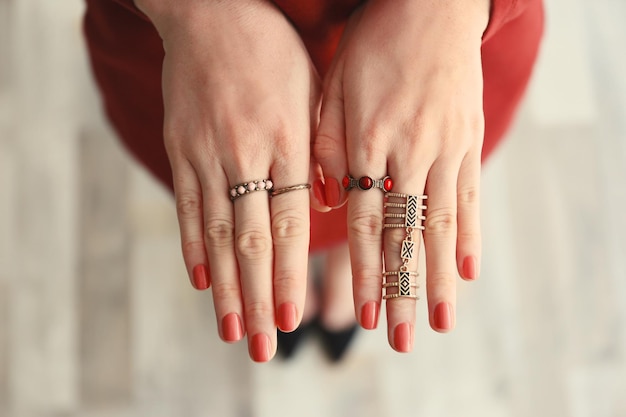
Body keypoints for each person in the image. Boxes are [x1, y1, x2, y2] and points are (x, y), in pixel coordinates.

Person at [83, 0, 544, 362]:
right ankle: (297, 260)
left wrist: (450, 9)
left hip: (432, 47)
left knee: (388, 184)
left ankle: (349, 252)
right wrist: (191, 11)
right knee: (248, 194)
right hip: (205, 59)